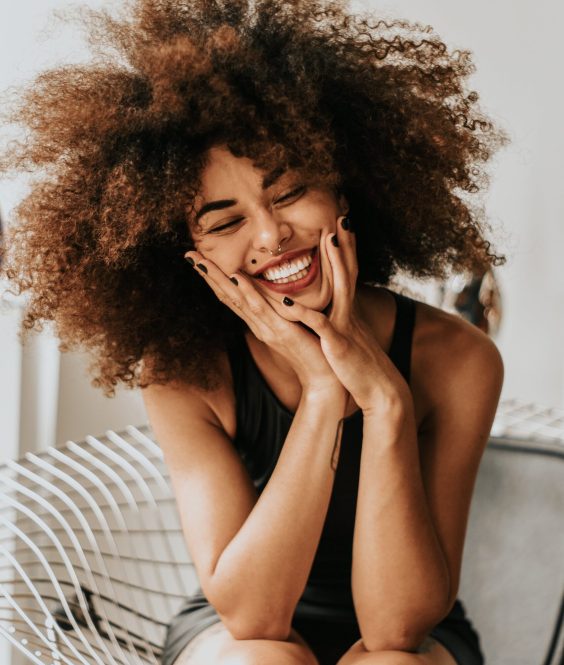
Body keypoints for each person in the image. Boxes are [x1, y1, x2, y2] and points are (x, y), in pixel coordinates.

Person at [0, 1, 506, 663]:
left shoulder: (459, 358)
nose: (271, 236)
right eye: (224, 220)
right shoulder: (186, 373)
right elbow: (254, 614)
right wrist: (324, 393)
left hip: (418, 638)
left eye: (290, 190)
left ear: (344, 190)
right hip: (236, 631)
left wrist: (385, 402)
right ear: (189, 253)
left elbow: (395, 627)